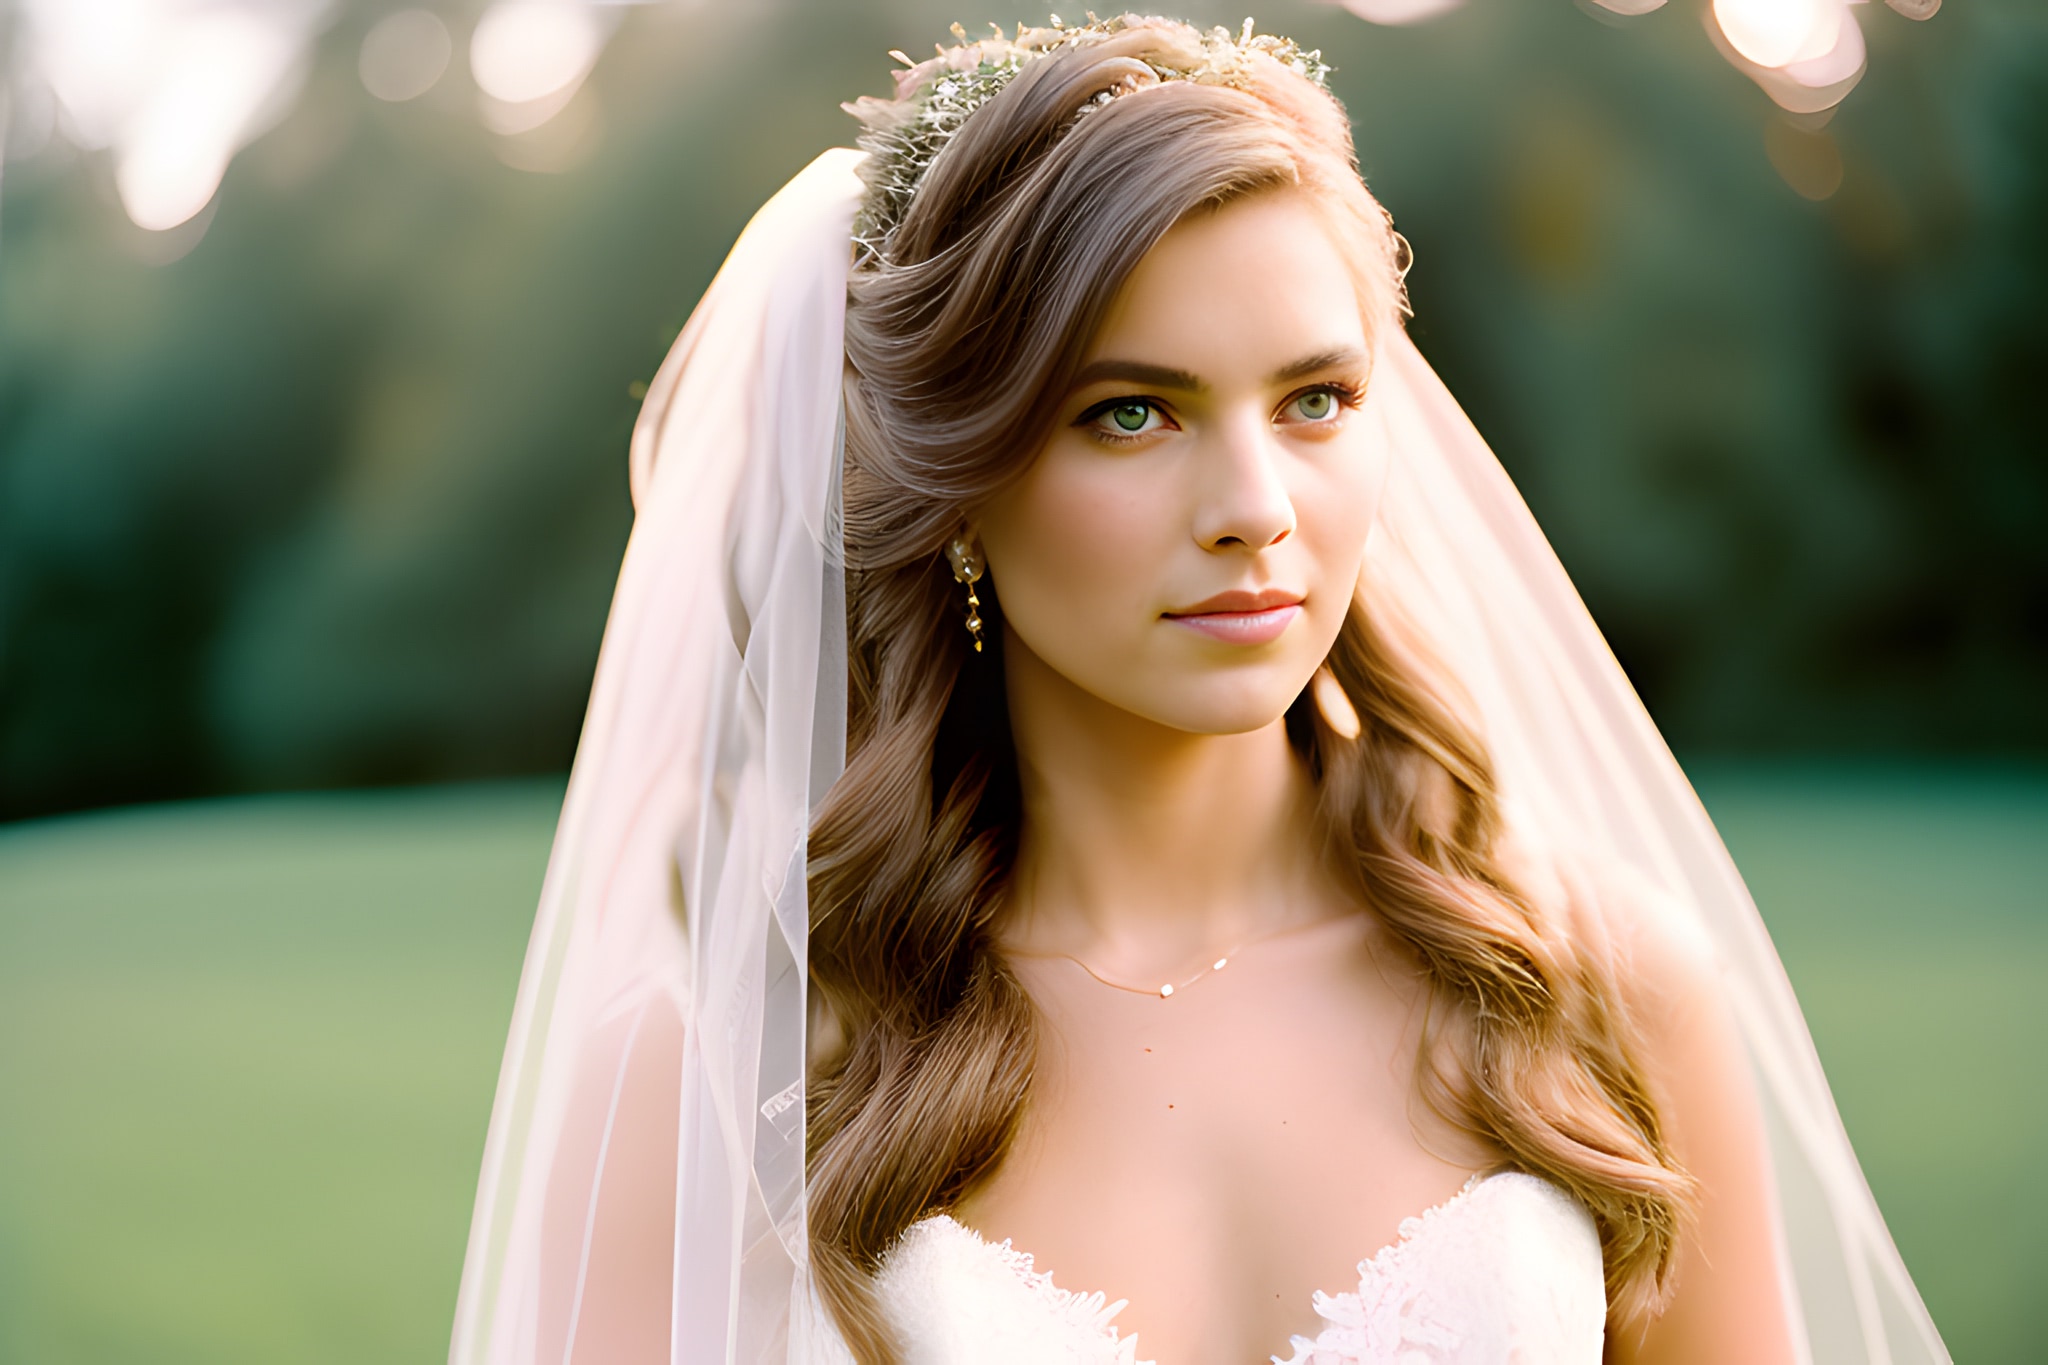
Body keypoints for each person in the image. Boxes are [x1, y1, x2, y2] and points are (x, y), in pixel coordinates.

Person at [447, 16, 1950, 1365]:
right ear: (959, 477)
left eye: (1316, 399)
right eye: (1130, 411)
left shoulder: (1600, 990)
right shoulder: (722, 1072)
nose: (1257, 504)